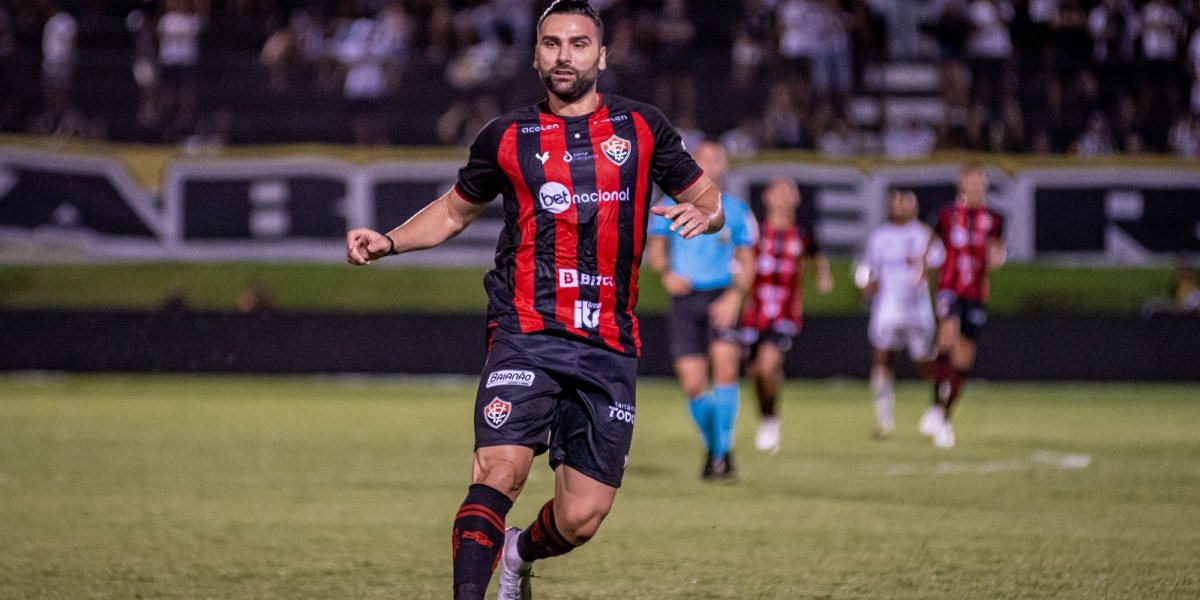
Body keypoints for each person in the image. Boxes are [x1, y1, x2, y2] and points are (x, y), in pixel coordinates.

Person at [345, 2, 724, 598]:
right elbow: (451, 212)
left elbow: (710, 199)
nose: (563, 55)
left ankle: (519, 553)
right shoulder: (505, 136)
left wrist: (706, 215)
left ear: (601, 55)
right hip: (526, 327)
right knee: (500, 471)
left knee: (582, 516)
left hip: (607, 341)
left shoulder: (642, 127)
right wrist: (388, 240)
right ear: (535, 56)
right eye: (551, 44)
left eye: (577, 44)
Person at [646, 141, 756, 480]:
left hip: (720, 295)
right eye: (704, 158)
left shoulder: (736, 211)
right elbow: (657, 250)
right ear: (693, 163)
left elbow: (748, 260)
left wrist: (735, 296)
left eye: (716, 159)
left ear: (724, 165)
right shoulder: (669, 204)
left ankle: (721, 457)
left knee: (725, 372)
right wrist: (666, 275)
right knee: (693, 383)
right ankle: (716, 446)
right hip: (685, 299)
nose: (711, 164)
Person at [738, 178, 833, 454]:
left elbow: (817, 257)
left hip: (784, 314)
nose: (782, 196)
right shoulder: (755, 234)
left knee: (768, 365)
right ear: (766, 197)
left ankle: (771, 421)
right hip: (754, 314)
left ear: (797, 199)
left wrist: (822, 277)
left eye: (788, 191)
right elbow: (741, 262)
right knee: (755, 373)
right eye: (777, 191)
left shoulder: (802, 236)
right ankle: (767, 415)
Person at [919, 163, 1005, 448]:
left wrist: (997, 257)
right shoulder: (946, 215)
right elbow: (928, 243)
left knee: (963, 360)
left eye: (981, 181)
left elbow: (997, 250)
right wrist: (921, 269)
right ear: (962, 184)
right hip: (950, 289)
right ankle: (934, 406)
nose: (977, 186)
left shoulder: (994, 219)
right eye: (973, 181)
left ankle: (944, 417)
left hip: (976, 294)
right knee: (947, 337)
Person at [856, 190, 939, 439]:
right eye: (896, 203)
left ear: (914, 207)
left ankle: (938, 408)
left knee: (924, 363)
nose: (900, 207)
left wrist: (926, 275)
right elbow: (868, 270)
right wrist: (868, 285)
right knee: (882, 359)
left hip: (917, 309)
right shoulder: (879, 237)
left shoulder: (924, 235)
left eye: (905, 203)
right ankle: (884, 421)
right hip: (887, 308)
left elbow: (936, 266)